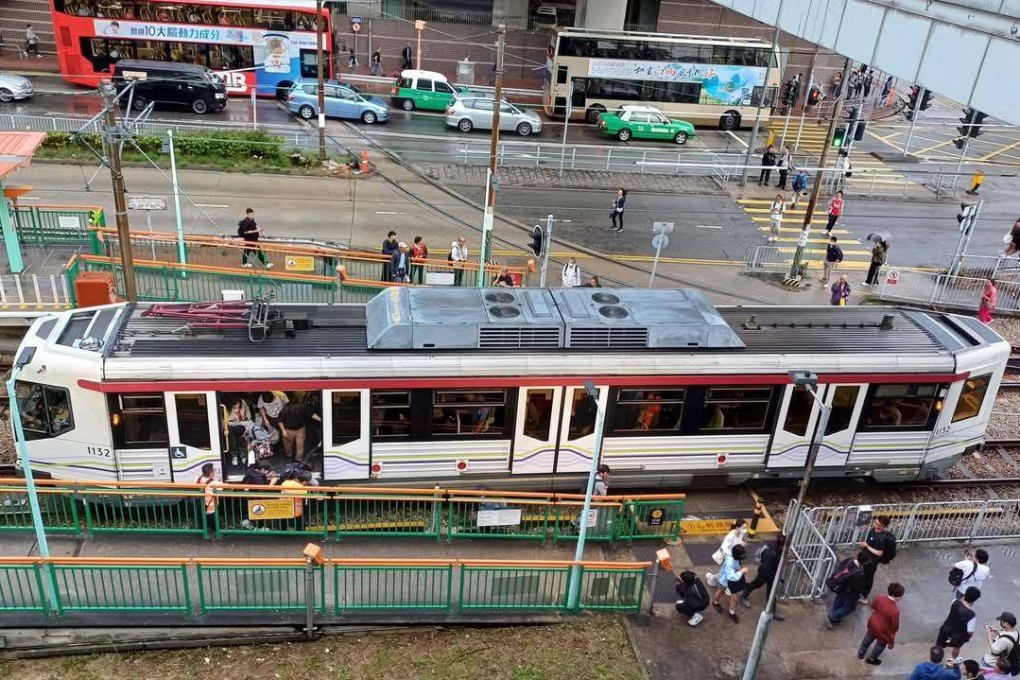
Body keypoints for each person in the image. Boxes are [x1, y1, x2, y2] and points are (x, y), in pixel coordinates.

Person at [858, 582, 905, 665]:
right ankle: (872, 659)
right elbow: (894, 625)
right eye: (900, 596)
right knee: (881, 644)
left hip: (873, 622)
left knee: (868, 637)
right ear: (895, 596)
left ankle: (861, 653)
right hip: (883, 630)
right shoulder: (895, 611)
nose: (901, 597)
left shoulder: (879, 597)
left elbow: (873, 606)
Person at [741, 535, 786, 620]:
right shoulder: (770, 553)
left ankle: (772, 610)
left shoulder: (778, 549)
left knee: (772, 592)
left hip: (772, 572)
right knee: (757, 584)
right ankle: (744, 594)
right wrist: (773, 577)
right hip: (765, 572)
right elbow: (766, 566)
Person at [937, 586, 982, 659]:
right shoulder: (972, 615)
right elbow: (970, 631)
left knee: (939, 645)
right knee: (957, 647)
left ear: (965, 594)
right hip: (958, 636)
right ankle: (953, 660)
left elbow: (958, 604)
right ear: (975, 600)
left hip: (946, 629)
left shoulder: (954, 602)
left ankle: (936, 658)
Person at [857, 514, 895, 601]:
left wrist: (867, 546)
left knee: (868, 578)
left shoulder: (880, 539)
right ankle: (859, 590)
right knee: (862, 574)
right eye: (875, 522)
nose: (874, 524)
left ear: (881, 527)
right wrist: (864, 546)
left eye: (876, 523)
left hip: (872, 561)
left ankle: (864, 596)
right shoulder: (873, 530)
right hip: (866, 556)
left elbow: (879, 553)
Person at [711, 544, 748, 623]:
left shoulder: (732, 556)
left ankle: (731, 612)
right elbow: (731, 577)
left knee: (733, 597)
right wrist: (742, 571)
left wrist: (739, 570)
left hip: (730, 580)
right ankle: (716, 602)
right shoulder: (730, 563)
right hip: (726, 580)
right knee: (721, 591)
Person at [826, 554, 866, 627]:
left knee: (838, 600)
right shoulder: (860, 573)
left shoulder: (849, 560)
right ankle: (833, 616)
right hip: (849, 591)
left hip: (840, 586)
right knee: (849, 607)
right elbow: (857, 587)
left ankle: (834, 618)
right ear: (864, 563)